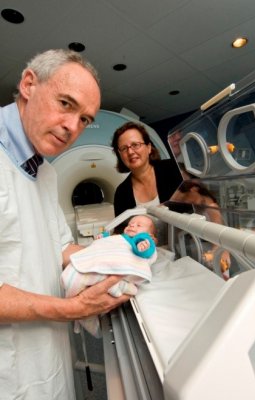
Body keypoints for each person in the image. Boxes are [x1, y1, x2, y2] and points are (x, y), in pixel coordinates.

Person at [0, 49, 130, 399]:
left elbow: (60, 247)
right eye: (65, 104)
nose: (73, 127)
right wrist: (71, 310)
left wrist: (121, 258)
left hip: (48, 356)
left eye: (85, 119)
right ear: (29, 84)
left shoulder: (45, 172)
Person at [61, 215, 157, 338]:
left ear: (152, 237)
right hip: (109, 266)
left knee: (74, 279)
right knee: (70, 277)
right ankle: (117, 287)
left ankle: (86, 313)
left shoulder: (143, 240)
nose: (132, 225)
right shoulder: (121, 237)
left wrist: (144, 246)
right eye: (130, 224)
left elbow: (147, 251)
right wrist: (102, 238)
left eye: (139, 225)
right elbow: (108, 243)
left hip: (121, 269)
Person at [112, 121, 182, 217]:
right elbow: (121, 228)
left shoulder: (174, 170)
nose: (130, 152)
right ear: (120, 155)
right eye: (124, 148)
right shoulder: (121, 193)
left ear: (148, 148)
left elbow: (195, 204)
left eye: (135, 145)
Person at [168, 179, 231, 277]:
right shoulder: (195, 206)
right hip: (204, 248)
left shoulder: (211, 206)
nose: (186, 201)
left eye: (185, 197)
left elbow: (217, 226)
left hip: (215, 248)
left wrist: (216, 251)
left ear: (194, 189)